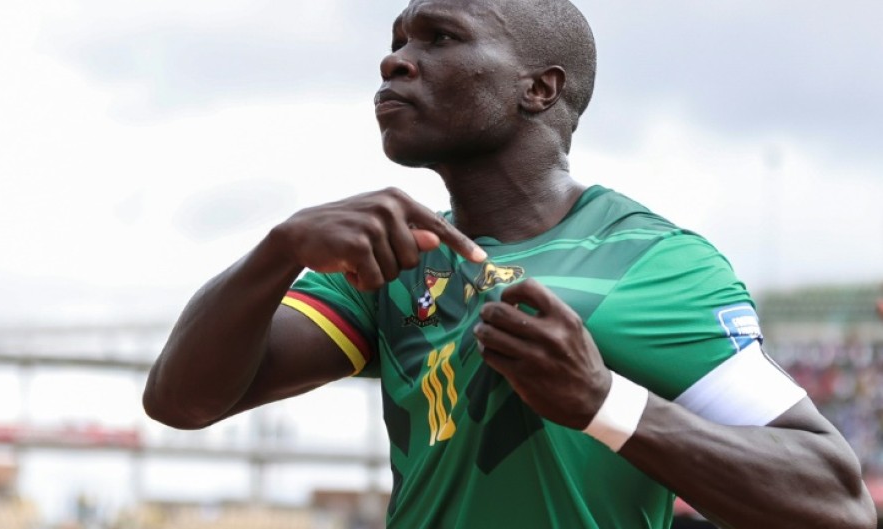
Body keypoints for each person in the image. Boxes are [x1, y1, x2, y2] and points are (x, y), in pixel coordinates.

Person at [143, 0, 877, 527]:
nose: (394, 58)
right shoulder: (395, 257)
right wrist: (279, 250)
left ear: (540, 87)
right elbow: (183, 402)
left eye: (440, 36)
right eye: (399, 37)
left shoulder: (651, 262)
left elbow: (834, 500)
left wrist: (604, 403)